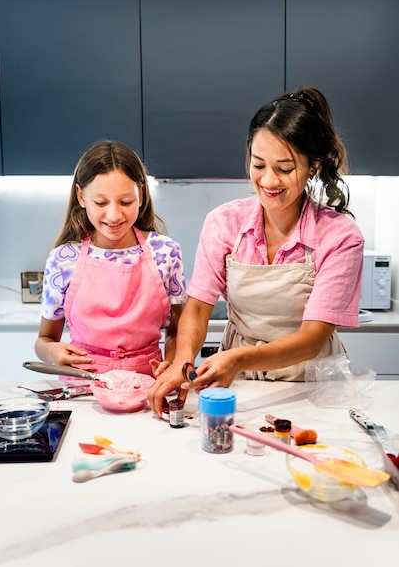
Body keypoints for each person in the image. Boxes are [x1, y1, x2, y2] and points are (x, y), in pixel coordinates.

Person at [149, 86, 364, 415]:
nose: (268, 180)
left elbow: (313, 337)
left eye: (284, 168)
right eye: (258, 164)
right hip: (239, 382)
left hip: (312, 385)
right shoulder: (224, 222)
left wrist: (238, 359)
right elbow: (197, 307)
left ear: (313, 167)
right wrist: (182, 360)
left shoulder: (339, 236)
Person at [35, 140, 186, 377]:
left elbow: (177, 332)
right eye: (101, 202)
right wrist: (53, 352)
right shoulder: (63, 259)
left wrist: (174, 364)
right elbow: (44, 340)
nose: (114, 215)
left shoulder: (166, 252)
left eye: (126, 202)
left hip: (147, 386)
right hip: (82, 387)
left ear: (142, 195)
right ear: (81, 197)